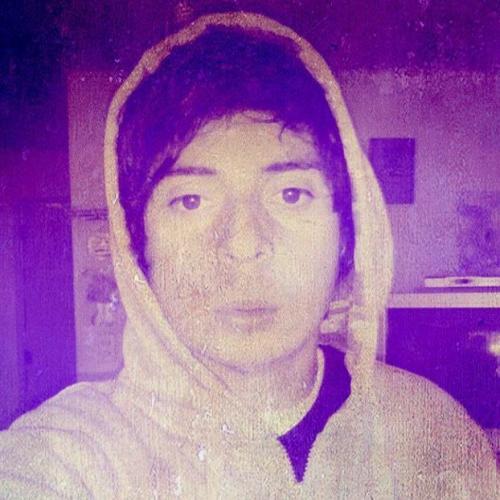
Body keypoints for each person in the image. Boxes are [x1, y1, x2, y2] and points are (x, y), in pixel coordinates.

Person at [0, 12, 496, 498]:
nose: (243, 243)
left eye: (290, 194)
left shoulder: (435, 437)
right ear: (137, 245)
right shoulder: (66, 457)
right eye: (191, 200)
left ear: (347, 234)